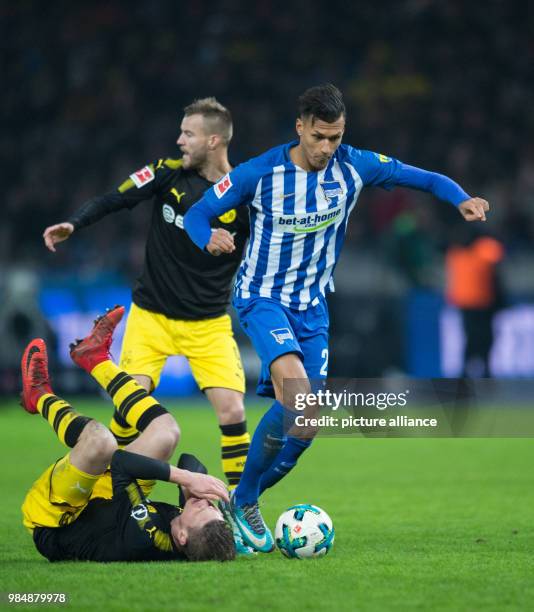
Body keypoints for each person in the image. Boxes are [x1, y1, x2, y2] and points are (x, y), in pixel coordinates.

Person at [183, 83, 490, 552]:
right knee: (298, 398)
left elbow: (423, 178)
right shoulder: (258, 173)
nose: (328, 148)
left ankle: (239, 500)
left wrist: (461, 198)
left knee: (306, 423)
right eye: (319, 137)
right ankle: (243, 500)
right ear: (300, 127)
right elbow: (198, 214)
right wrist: (208, 238)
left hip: (313, 306)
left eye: (336, 137)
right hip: (262, 298)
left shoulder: (355, 165)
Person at [42, 98, 251, 494]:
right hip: (151, 316)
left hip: (208, 323)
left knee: (233, 410)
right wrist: (75, 222)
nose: (179, 140)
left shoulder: (243, 195)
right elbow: (115, 198)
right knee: (128, 408)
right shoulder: (166, 174)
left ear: (213, 141)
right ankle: (111, 491)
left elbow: (264, 249)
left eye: (187, 134)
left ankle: (242, 505)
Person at [21, 306, 235, 562]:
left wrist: (188, 479)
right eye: (212, 508)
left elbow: (122, 462)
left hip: (60, 518)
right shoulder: (188, 532)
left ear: (181, 538)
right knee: (167, 433)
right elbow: (188, 460)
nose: (205, 505)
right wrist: (196, 490)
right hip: (108, 502)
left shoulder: (145, 536)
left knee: (101, 442)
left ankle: (39, 396)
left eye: (203, 511)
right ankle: (96, 359)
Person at [445, 231, 505, 377]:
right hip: (476, 304)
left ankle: (476, 371)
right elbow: (497, 253)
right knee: (477, 338)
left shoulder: (456, 255)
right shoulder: (477, 252)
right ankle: (472, 371)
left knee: (478, 338)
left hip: (476, 304)